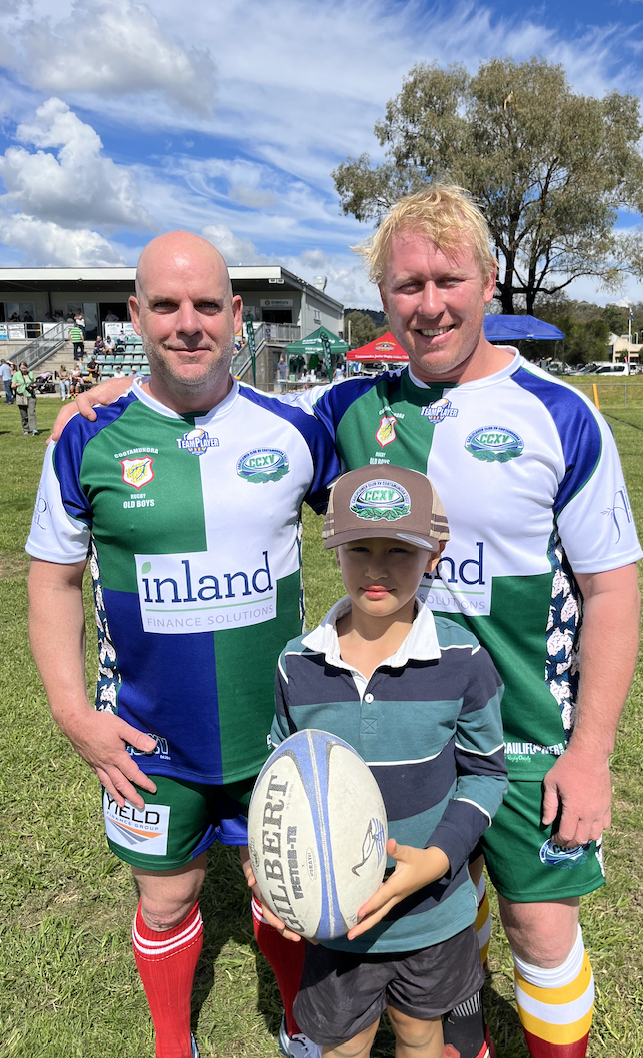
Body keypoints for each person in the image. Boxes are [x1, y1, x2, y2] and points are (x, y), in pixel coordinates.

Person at [58, 187, 643, 1058]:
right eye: (408, 285)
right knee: (434, 906)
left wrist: (590, 753)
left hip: (524, 735)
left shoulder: (561, 415)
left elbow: (613, 592)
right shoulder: (347, 410)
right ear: (383, 297)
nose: (429, 304)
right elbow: (222, 410)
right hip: (391, 731)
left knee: (541, 928)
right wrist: (124, 391)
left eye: (449, 280)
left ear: (489, 282)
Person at [26, 231, 340, 1058]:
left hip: (276, 729)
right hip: (147, 739)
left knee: (285, 898)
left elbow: (384, 516)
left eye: (206, 304)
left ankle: (301, 1023)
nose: (188, 323)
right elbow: (53, 582)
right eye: (166, 306)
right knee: (165, 904)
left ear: (237, 316)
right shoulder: (86, 437)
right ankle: (174, 1043)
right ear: (135, 317)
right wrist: (74, 716)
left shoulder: (295, 429)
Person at [268, 466, 507, 1058]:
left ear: (433, 556)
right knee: (343, 1044)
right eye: (360, 549)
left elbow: (486, 774)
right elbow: (277, 778)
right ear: (335, 551)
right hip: (336, 919)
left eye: (399, 550)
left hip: (432, 913)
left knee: (419, 1031)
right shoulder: (298, 664)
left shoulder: (462, 659)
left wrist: (439, 858)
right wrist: (271, 873)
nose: (376, 569)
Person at [11, 361, 38, 434]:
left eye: (25, 368)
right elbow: (12, 386)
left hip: (31, 396)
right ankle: (26, 429)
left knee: (31, 412)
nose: (23, 370)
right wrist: (16, 385)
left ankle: (33, 429)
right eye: (22, 368)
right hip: (21, 396)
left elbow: (34, 383)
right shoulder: (16, 375)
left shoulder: (30, 374)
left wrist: (33, 386)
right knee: (24, 415)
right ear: (19, 368)